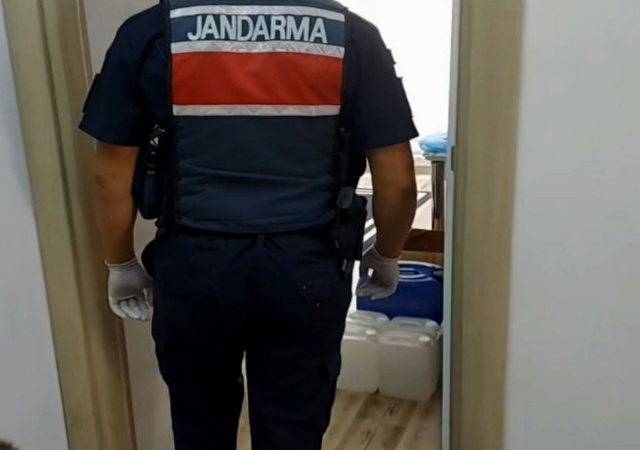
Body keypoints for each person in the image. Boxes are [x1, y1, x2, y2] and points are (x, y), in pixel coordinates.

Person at [80, 1, 418, 448]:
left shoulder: (152, 30)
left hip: (195, 266)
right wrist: (388, 253)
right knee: (293, 428)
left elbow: (110, 176)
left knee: (200, 425)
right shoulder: (351, 34)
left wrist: (120, 263)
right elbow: (397, 180)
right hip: (306, 267)